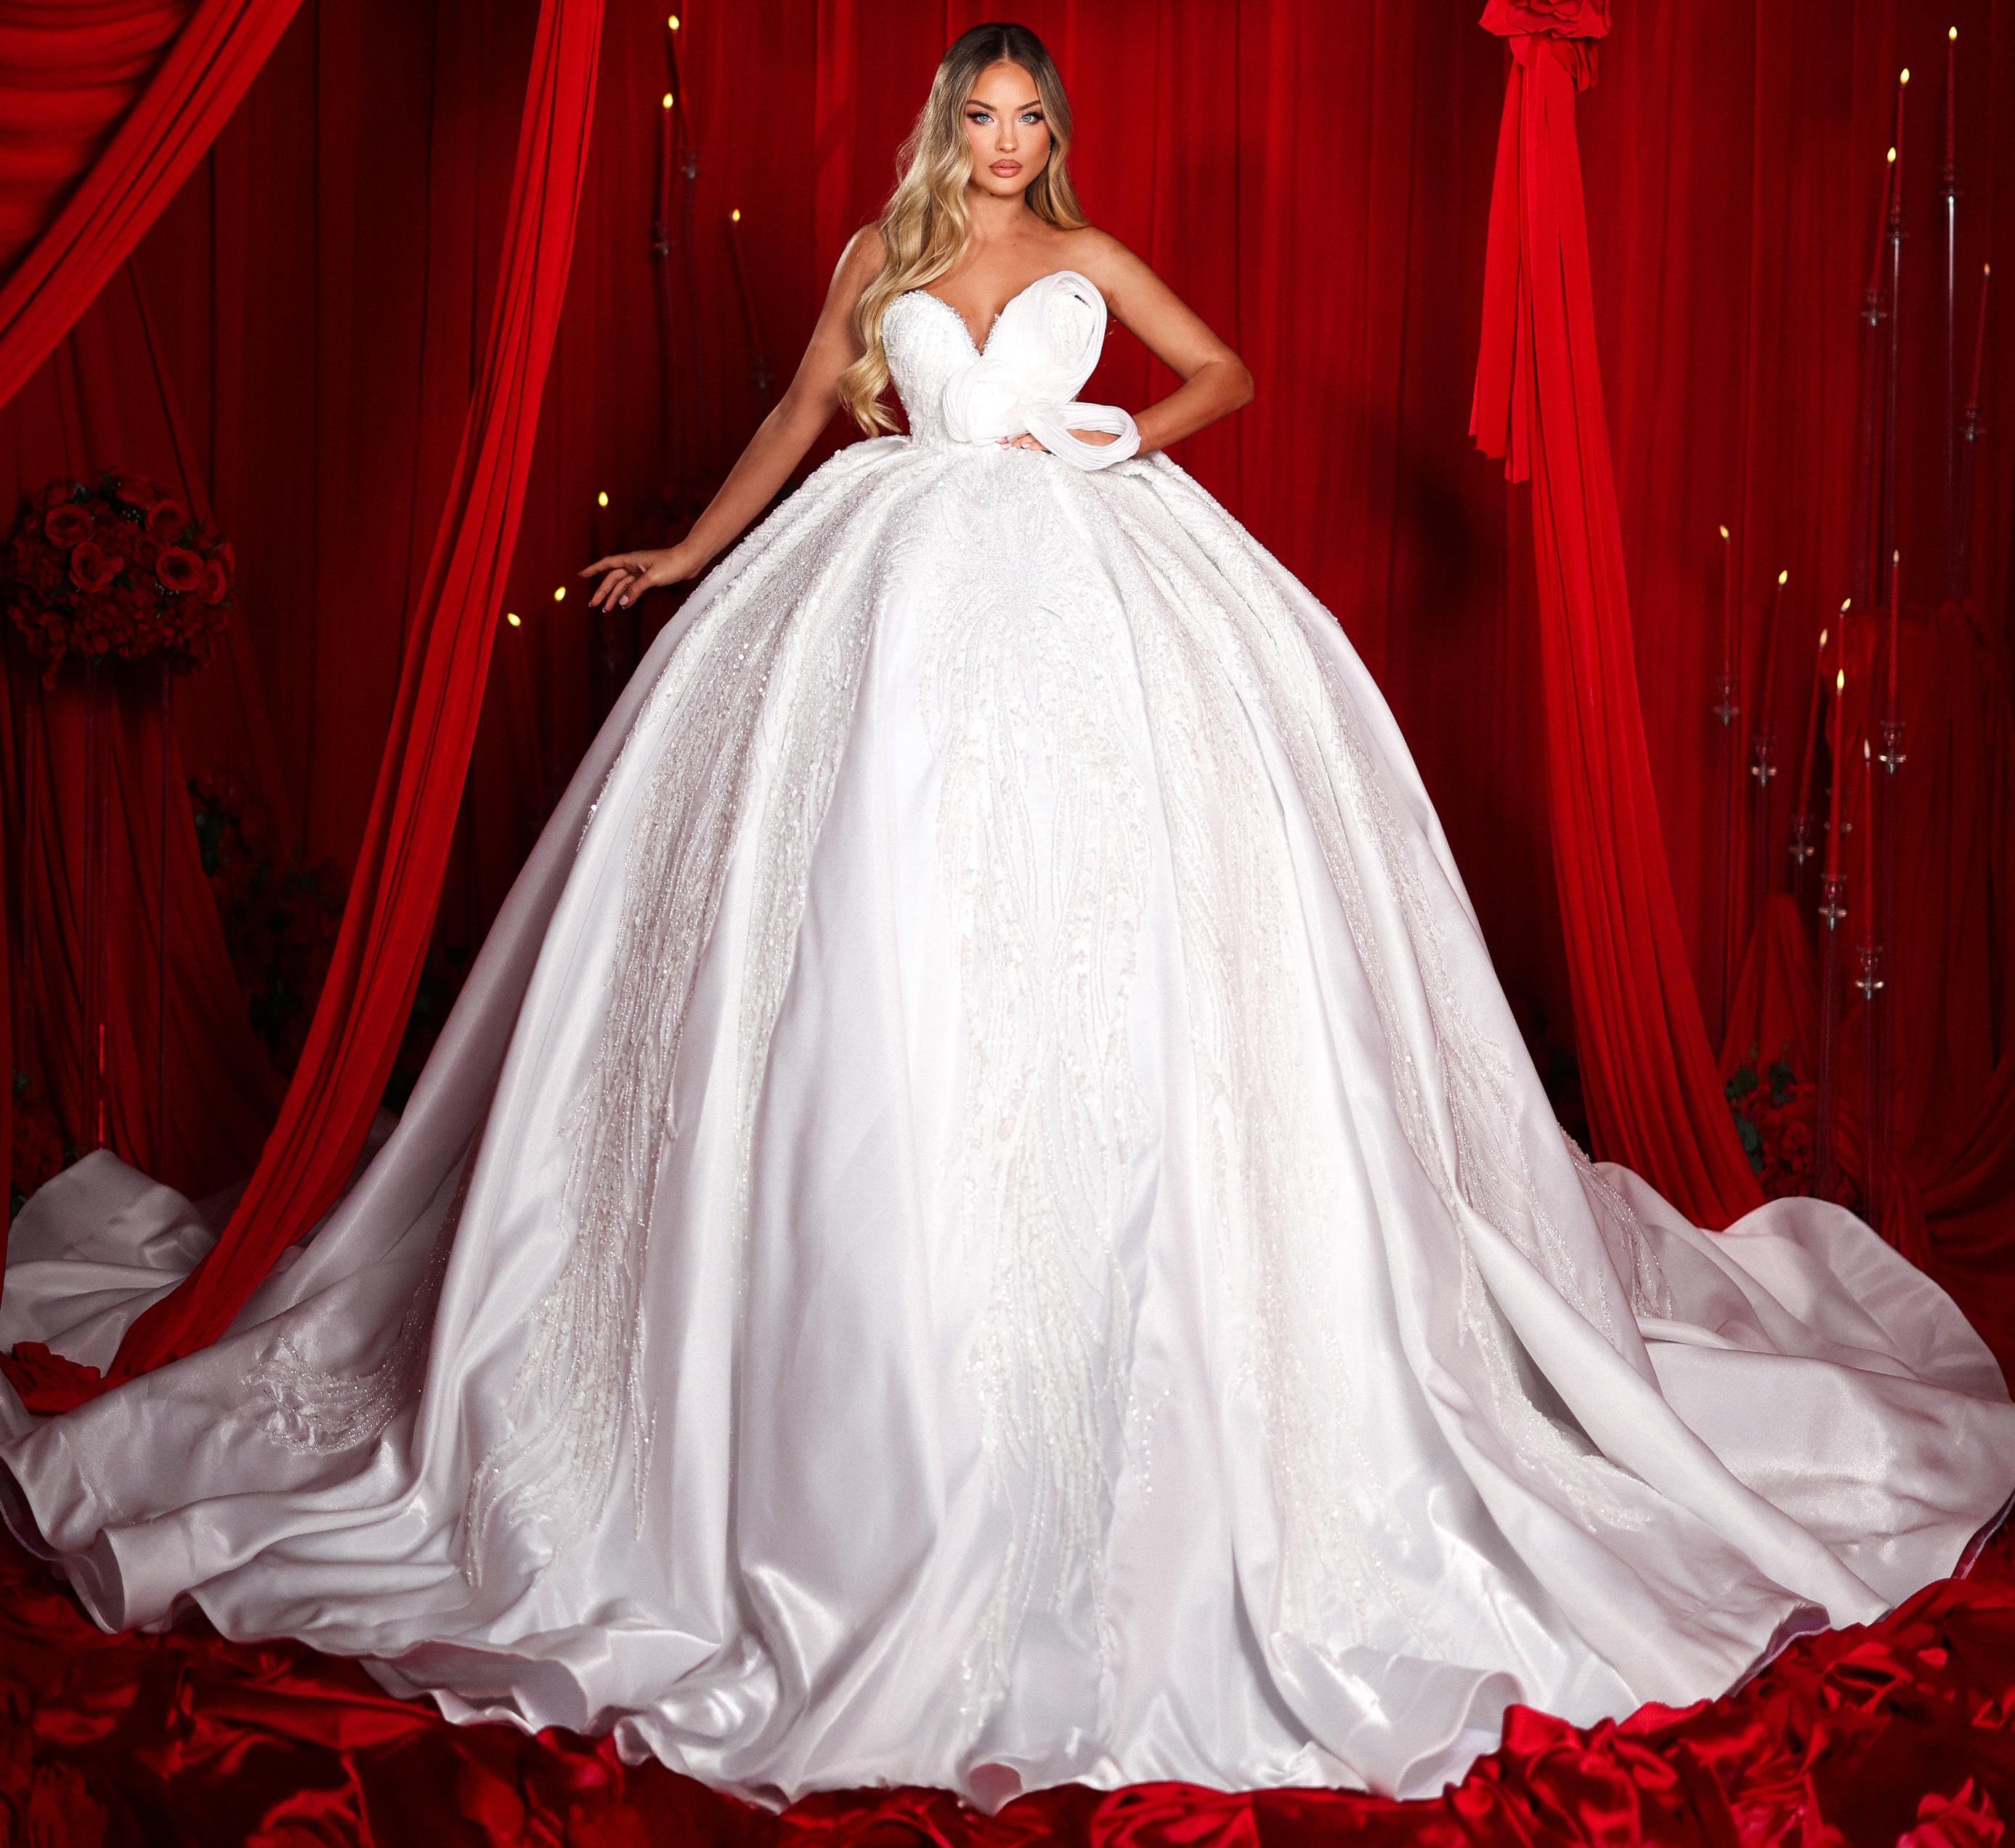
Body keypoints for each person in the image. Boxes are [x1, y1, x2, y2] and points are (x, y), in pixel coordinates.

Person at [1, 20, 2010, 1812]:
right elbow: (801, 419)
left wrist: (1129, 432)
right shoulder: (886, 271)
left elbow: (1224, 367)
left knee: (1118, 930)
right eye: (980, 115)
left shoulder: (1088, 262)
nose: (1003, 143)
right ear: (940, 132)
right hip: (883, 589)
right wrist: (691, 551)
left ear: (1053, 140)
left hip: (1088, 575)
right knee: (859, 924)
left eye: (1027, 119)